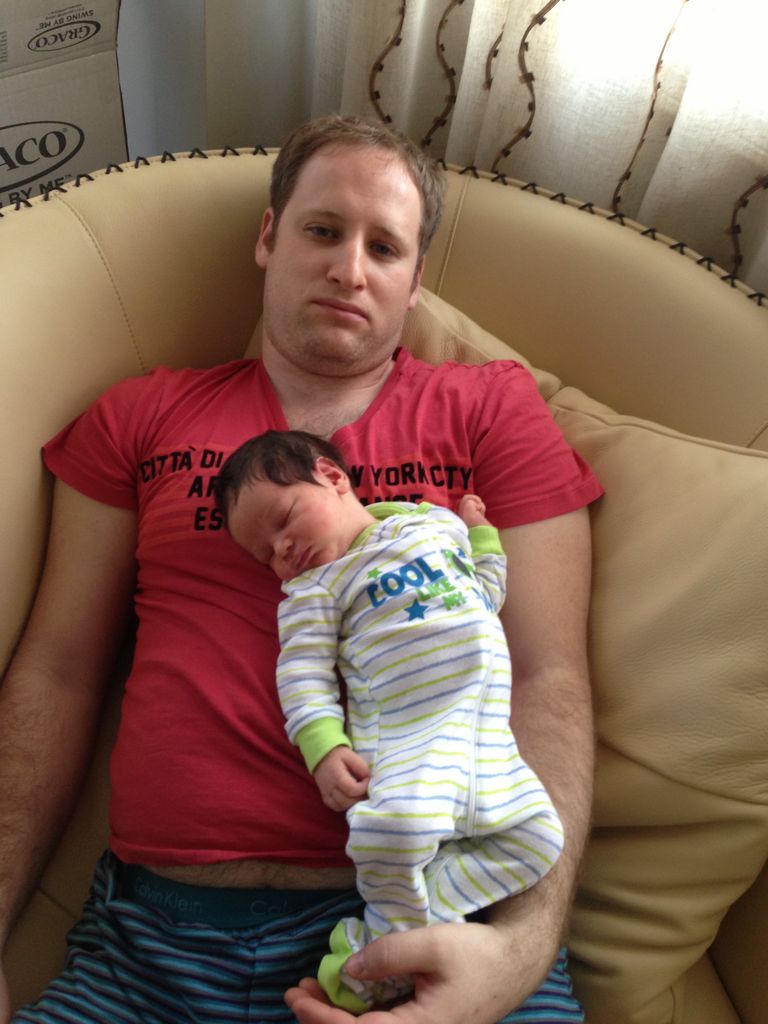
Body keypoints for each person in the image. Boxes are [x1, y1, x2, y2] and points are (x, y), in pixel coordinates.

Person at [0, 113, 602, 1024]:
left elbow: (548, 677)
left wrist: (517, 953)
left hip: (430, 920)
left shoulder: (490, 409)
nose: (349, 269)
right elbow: (56, 672)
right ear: (269, 238)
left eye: (384, 248)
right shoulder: (141, 416)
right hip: (153, 949)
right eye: (323, 230)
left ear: (414, 282)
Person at [215, 429, 565, 1013]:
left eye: (284, 519)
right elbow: (301, 673)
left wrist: (481, 534)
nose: (282, 550)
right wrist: (323, 748)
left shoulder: (432, 523)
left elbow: (486, 595)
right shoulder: (316, 587)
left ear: (332, 476)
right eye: (265, 553)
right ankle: (374, 960)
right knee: (392, 833)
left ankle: (413, 923)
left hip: (482, 736)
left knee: (539, 840)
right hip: (409, 736)